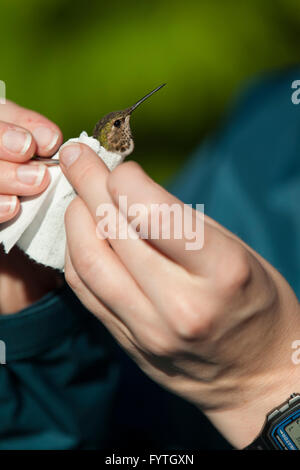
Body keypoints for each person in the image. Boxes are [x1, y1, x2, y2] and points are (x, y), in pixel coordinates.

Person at [0, 66, 299, 450]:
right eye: (123, 121)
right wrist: (30, 305)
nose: (129, 120)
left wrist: (268, 377)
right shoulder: (267, 118)